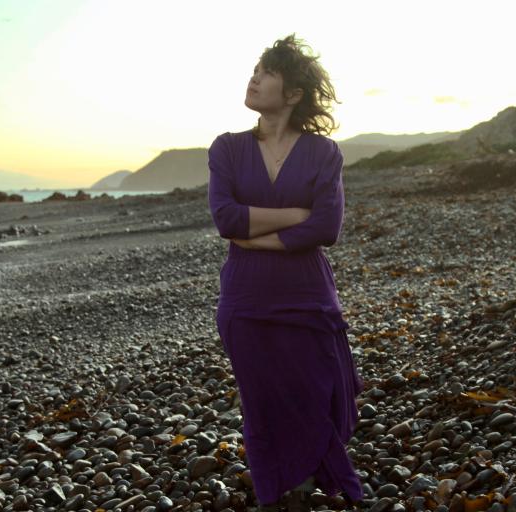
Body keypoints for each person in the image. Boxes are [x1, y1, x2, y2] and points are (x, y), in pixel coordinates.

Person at [207, 34, 365, 512]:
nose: (254, 78)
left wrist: (258, 233)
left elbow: (328, 226)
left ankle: (308, 473)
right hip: (246, 296)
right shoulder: (228, 149)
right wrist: (295, 217)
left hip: (307, 293)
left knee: (316, 391)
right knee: (263, 401)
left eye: (266, 72)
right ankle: (279, 491)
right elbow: (226, 221)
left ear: (293, 93)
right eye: (254, 70)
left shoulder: (323, 153)